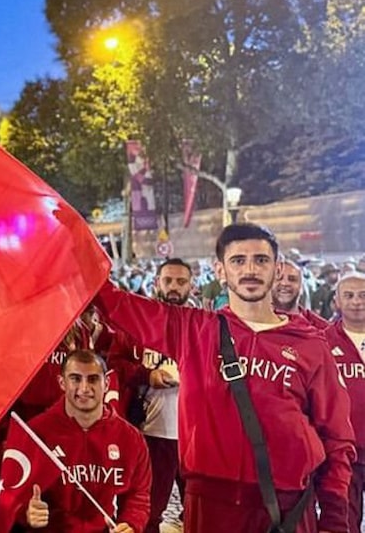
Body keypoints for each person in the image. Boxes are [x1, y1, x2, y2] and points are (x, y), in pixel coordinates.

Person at [93, 223, 354, 532]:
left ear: (277, 267)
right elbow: (115, 303)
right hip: (210, 505)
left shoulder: (310, 345)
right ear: (220, 269)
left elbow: (336, 438)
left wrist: (335, 520)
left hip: (287, 507)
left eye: (261, 260)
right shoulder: (193, 330)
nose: (250, 270)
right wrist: (70, 244)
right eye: (238, 260)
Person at [0, 349, 151, 533]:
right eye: (75, 379)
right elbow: (12, 497)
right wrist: (26, 513)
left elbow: (139, 494)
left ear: (107, 383)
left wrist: (132, 524)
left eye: (93, 379)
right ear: (62, 383)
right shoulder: (35, 434)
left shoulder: (131, 439)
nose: (84, 388)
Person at [107, 257, 191, 533]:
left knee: (200, 513)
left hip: (196, 435)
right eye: (168, 280)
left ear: (192, 286)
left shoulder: (205, 326)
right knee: (148, 512)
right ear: (156, 283)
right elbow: (115, 363)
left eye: (181, 281)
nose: (174, 287)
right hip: (152, 432)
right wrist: (148, 375)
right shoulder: (137, 323)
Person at [325, 272, 365, 530]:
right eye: (348, 296)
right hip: (345, 449)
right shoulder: (323, 341)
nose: (356, 302)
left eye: (363, 295)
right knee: (347, 520)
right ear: (336, 302)